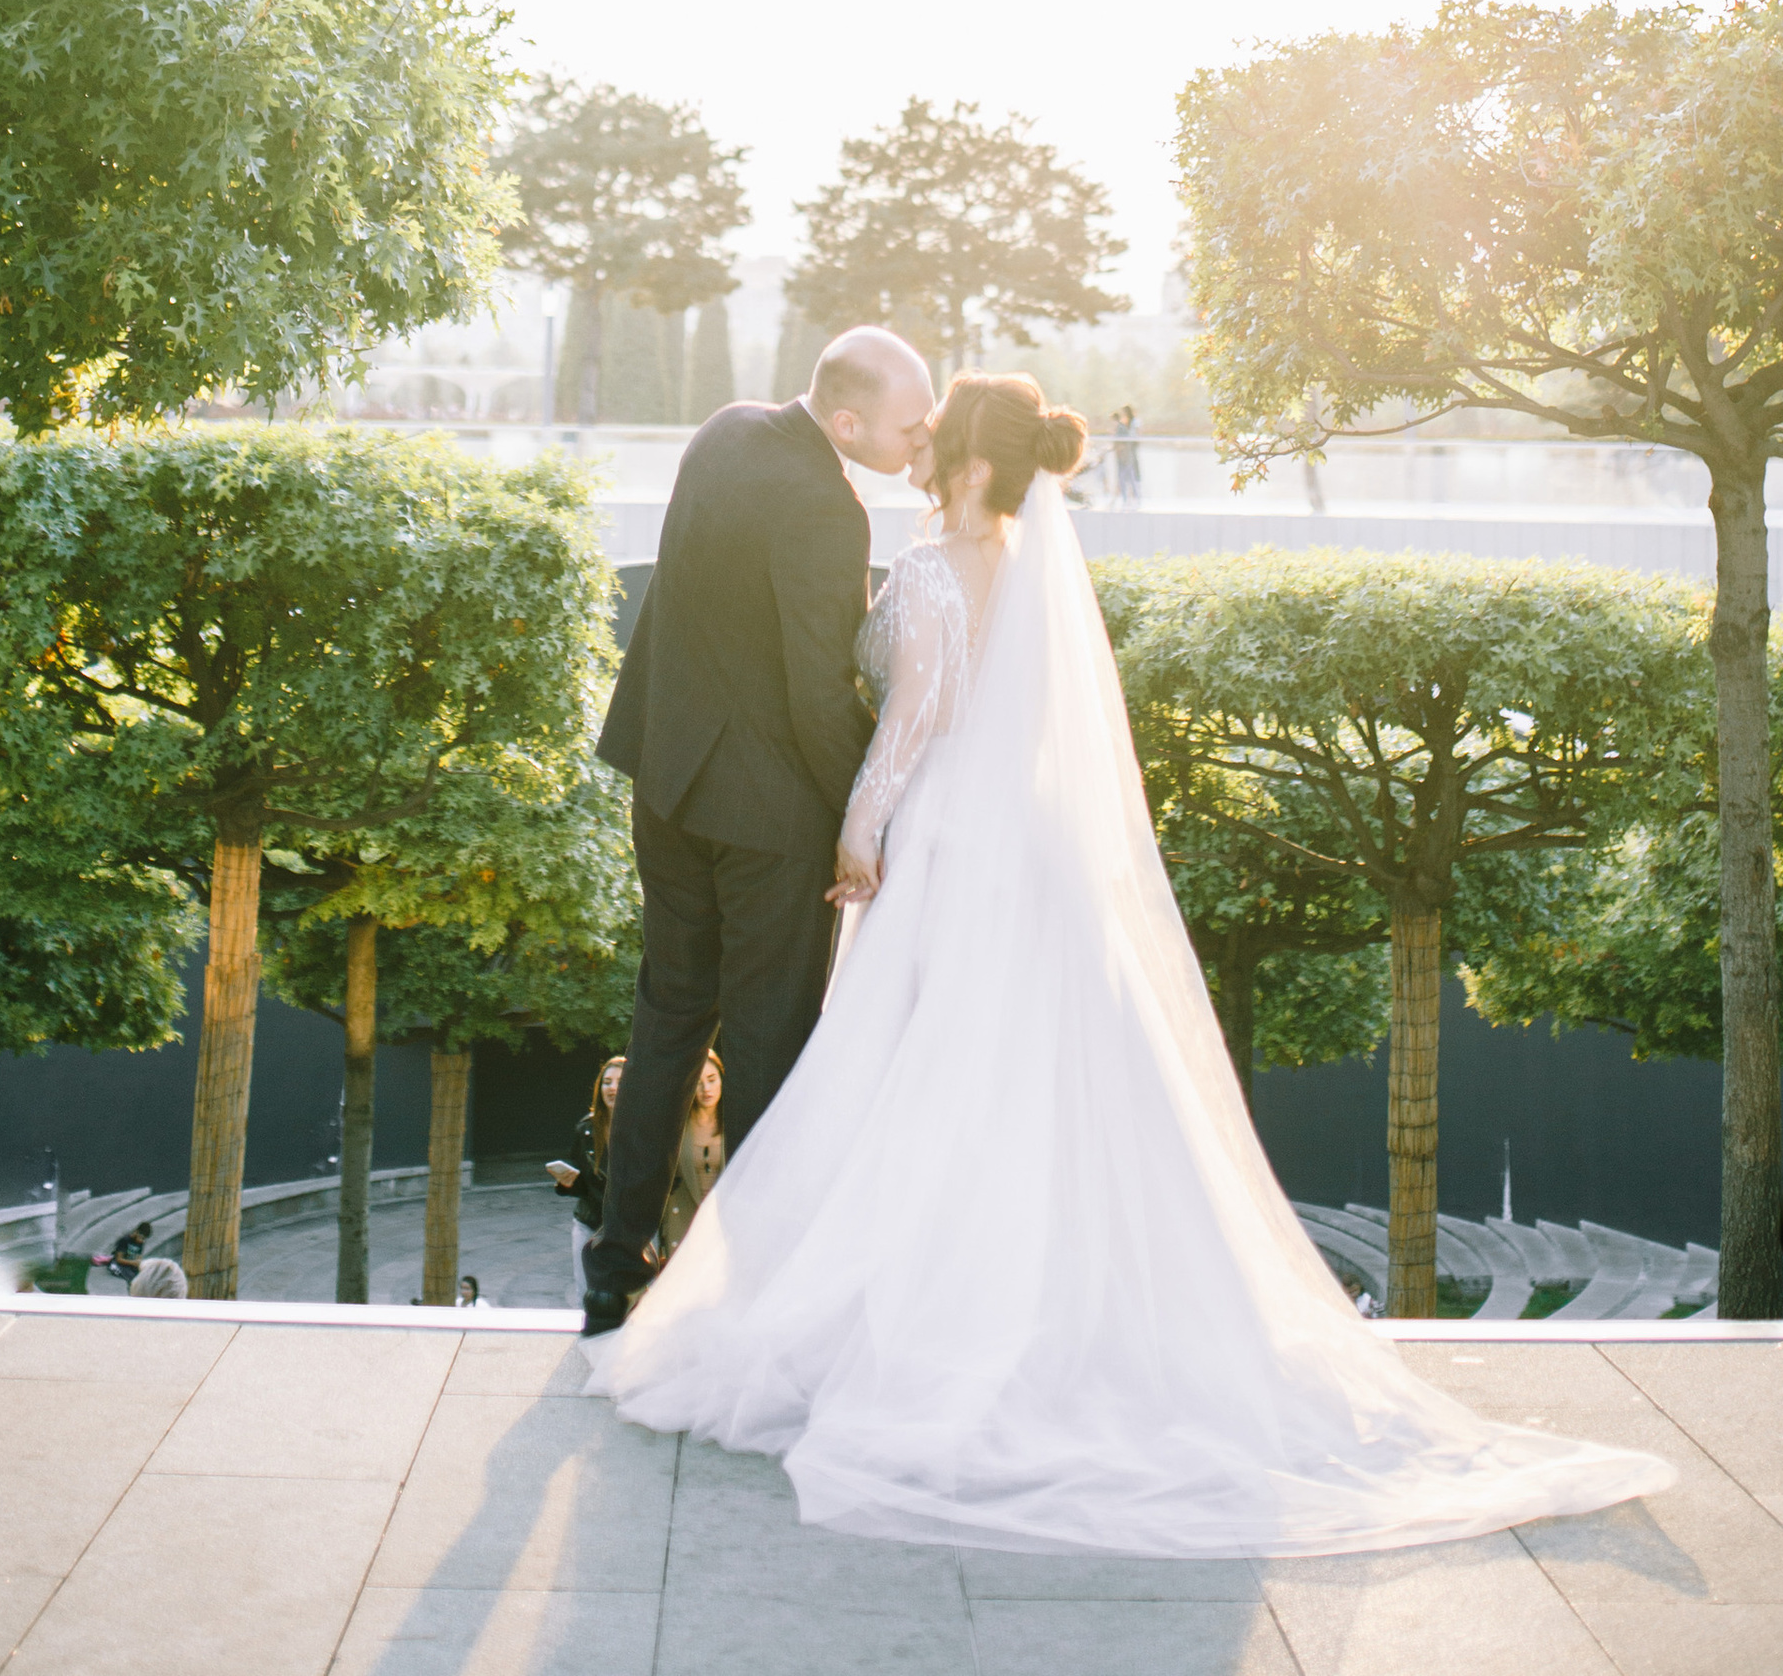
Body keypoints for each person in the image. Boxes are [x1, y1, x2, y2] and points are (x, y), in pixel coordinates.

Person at [585, 371, 1677, 1560]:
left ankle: (832, 1297)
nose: (917, 444)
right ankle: (1041, 1307)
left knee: (917, 1073)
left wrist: (859, 825)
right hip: (1031, 851)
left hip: (945, 840)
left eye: (930, 431)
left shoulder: (925, 571)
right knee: (1031, 1081)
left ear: (961, 460)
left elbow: (908, 723)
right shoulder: (1033, 575)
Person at [581, 322, 936, 1336]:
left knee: (666, 1019)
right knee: (771, 1043)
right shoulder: (828, 508)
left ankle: (614, 1262)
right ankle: (749, 1283)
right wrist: (858, 815)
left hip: (667, 779)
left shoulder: (722, 431)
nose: (917, 443)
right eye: (906, 427)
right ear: (847, 418)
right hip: (770, 815)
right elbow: (819, 693)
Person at [658, 1051, 724, 1259]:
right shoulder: (677, 1127)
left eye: (712, 1080)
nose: (707, 1089)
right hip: (684, 1221)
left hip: (723, 1223)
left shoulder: (736, 1122)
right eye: (698, 1082)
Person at [546, 1055, 623, 1232]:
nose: (612, 1088)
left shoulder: (644, 1130)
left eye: (620, 1081)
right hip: (590, 1224)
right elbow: (585, 1187)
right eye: (607, 1082)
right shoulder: (586, 1129)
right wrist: (568, 1182)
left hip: (630, 1229)